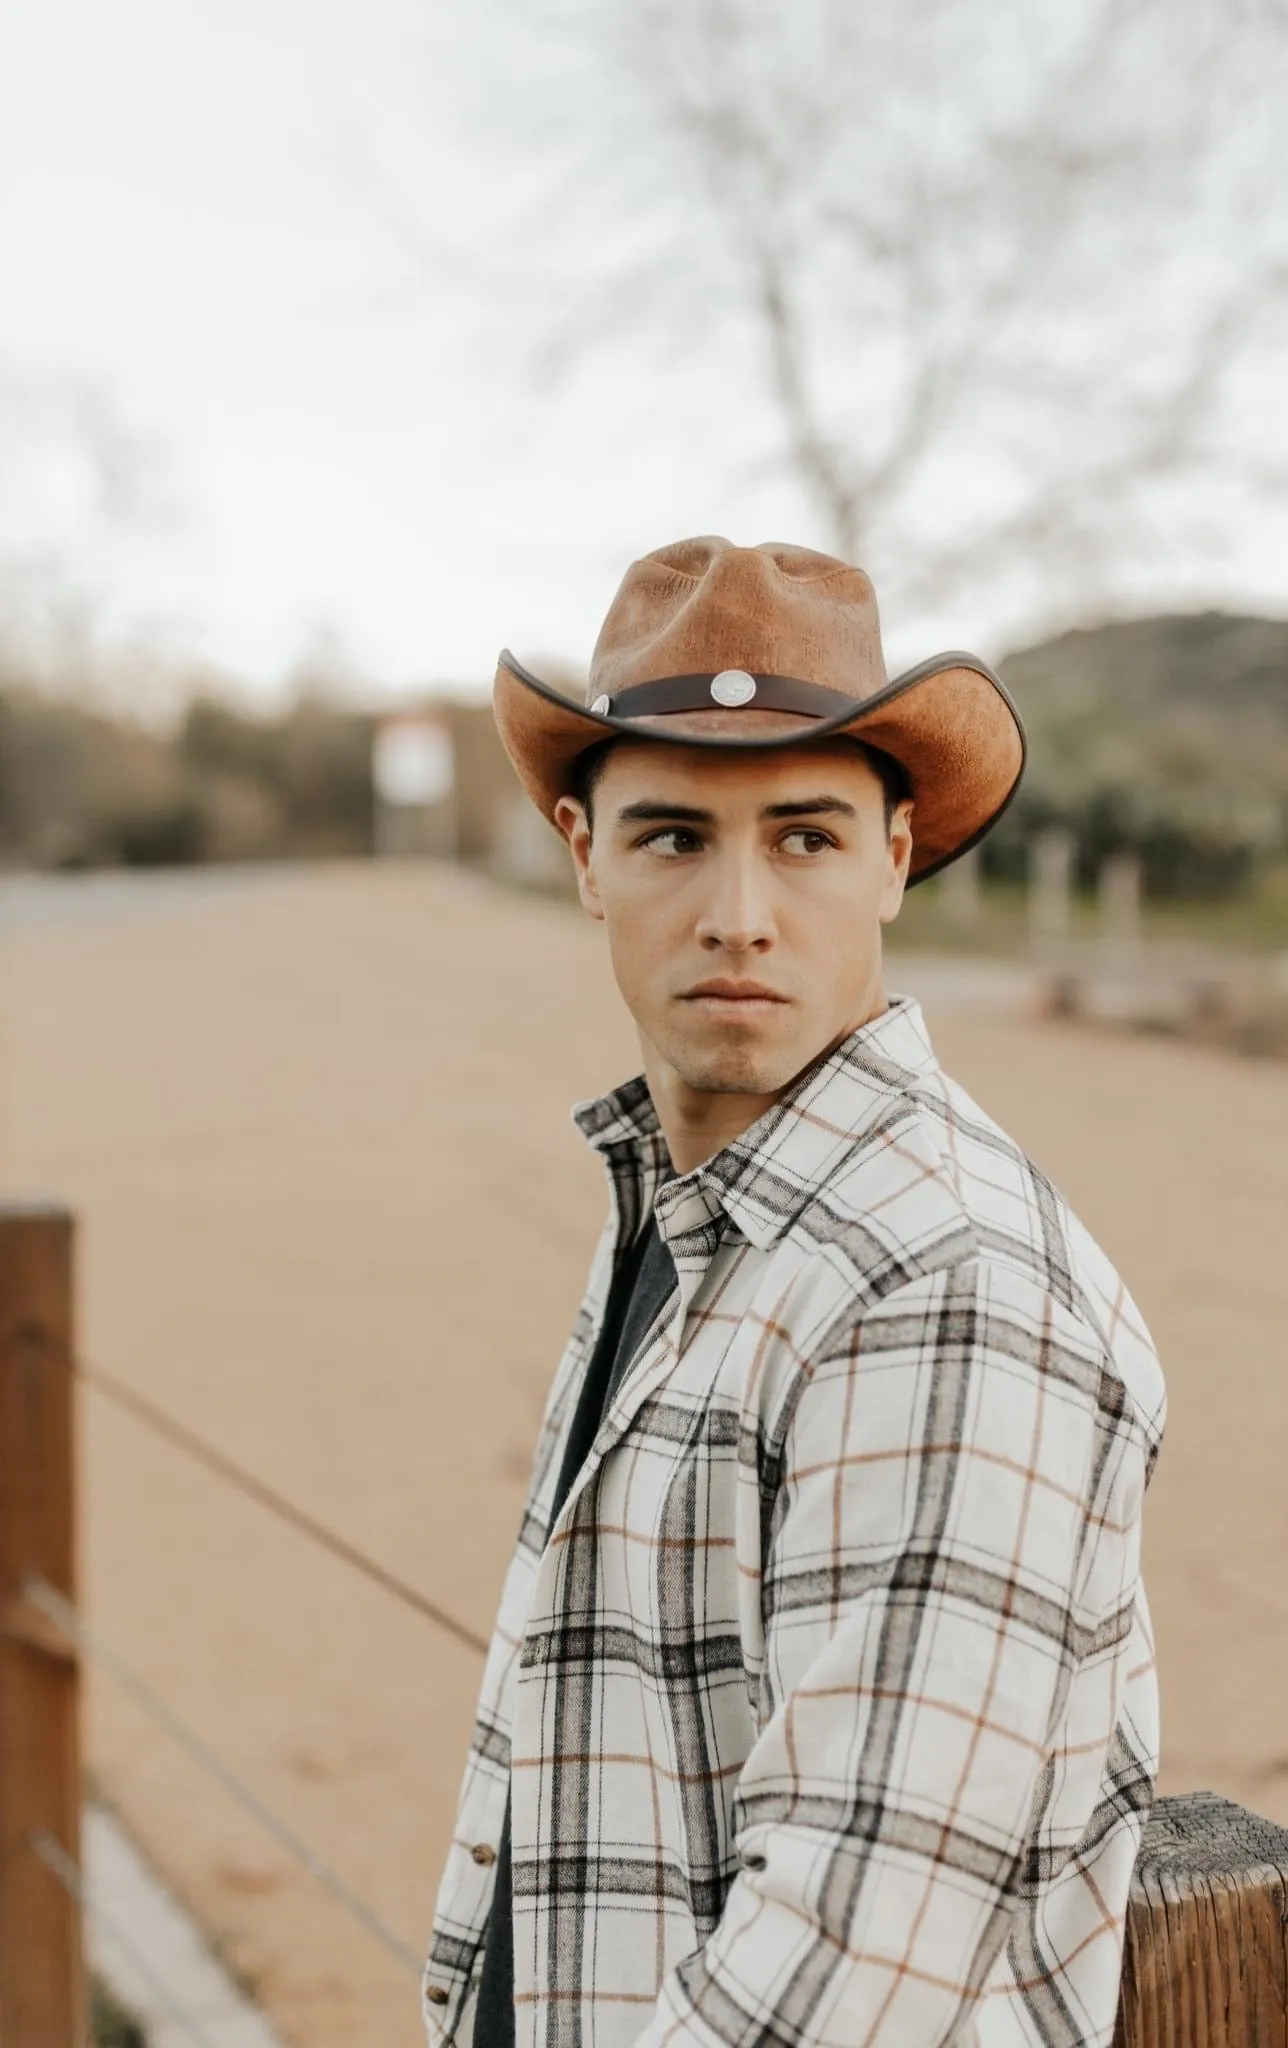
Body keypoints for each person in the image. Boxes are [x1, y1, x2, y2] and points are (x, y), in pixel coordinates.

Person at [423, 537, 1167, 2048]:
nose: (741, 915)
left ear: (897, 857)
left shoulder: (945, 1285)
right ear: (585, 855)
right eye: (676, 838)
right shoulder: (688, 1203)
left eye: (808, 839)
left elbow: (848, 1969)